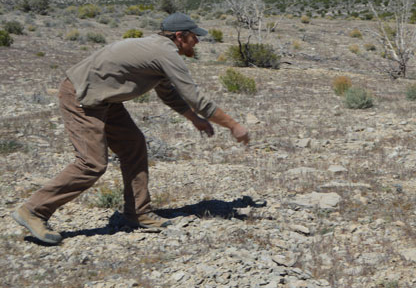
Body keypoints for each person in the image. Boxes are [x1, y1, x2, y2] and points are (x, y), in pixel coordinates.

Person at [12, 12, 249, 245]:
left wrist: (193, 118)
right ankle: (34, 210)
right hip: (82, 96)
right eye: (194, 36)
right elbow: (196, 97)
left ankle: (138, 212)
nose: (198, 41)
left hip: (104, 98)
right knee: (91, 163)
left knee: (133, 146)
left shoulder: (158, 50)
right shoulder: (164, 52)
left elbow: (169, 93)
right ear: (179, 36)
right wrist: (233, 125)